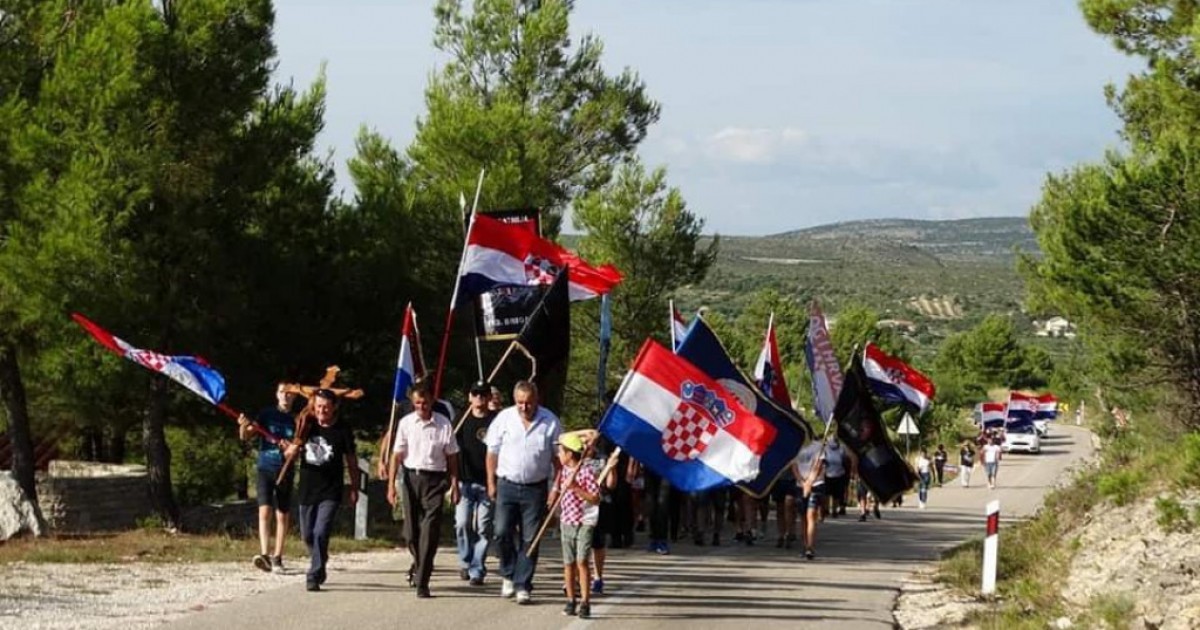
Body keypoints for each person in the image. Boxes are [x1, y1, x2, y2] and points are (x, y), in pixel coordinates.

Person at [486, 380, 562, 605]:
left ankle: (523, 583)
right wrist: (490, 482)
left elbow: (560, 461)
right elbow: (492, 453)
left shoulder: (550, 421)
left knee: (531, 538)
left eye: (528, 403)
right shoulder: (504, 419)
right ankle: (508, 573)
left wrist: (555, 489)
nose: (524, 407)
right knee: (501, 532)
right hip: (507, 484)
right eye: (520, 402)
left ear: (536, 400)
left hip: (535, 488)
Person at [387, 381, 460, 598]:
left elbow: (452, 456)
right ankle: (420, 564)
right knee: (410, 533)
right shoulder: (406, 423)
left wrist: (454, 483)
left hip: (435, 480)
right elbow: (397, 455)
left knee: (429, 531)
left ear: (432, 401)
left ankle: (423, 580)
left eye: (425, 402)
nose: (422, 407)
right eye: (417, 403)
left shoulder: (444, 423)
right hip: (411, 478)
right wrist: (391, 484)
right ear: (413, 403)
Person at [286, 389, 359, 592]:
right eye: (318, 406)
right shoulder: (306, 424)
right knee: (307, 535)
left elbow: (351, 461)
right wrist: (291, 450)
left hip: (331, 490)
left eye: (326, 406)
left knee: (320, 532)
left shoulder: (343, 429)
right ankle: (321, 559)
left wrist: (354, 487)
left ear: (334, 407)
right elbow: (294, 446)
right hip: (307, 489)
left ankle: (314, 574)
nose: (321, 410)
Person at [237, 383, 296, 574]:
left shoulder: (297, 419)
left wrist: (291, 449)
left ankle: (277, 556)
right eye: (282, 392)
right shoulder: (266, 414)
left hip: (285, 470)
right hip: (265, 467)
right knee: (264, 512)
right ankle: (264, 554)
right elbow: (246, 435)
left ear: (294, 397)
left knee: (282, 514)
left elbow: (299, 447)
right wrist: (243, 426)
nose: (285, 396)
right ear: (276, 394)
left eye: (289, 393)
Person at [552, 433, 601, 619]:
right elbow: (558, 490)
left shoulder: (585, 472)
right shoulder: (563, 471)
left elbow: (596, 498)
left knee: (582, 561)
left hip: (584, 522)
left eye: (561, 451)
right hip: (567, 521)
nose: (558, 454)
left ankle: (585, 602)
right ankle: (571, 600)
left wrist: (575, 488)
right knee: (568, 563)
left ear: (570, 453)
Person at [454, 380, 497, 586]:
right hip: (465, 482)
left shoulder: (496, 422)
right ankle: (465, 561)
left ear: (489, 398)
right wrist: (451, 481)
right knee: (462, 523)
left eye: (483, 394)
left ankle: (477, 569)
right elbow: (450, 450)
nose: (479, 397)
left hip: (488, 483)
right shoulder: (460, 421)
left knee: (483, 527)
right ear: (469, 397)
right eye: (475, 393)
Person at [793, 439, 827, 560]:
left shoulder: (818, 446)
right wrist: (802, 483)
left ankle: (810, 547)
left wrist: (809, 482)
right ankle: (804, 544)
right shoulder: (796, 446)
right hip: (800, 485)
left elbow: (818, 466)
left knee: (811, 514)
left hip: (816, 485)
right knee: (802, 517)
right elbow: (794, 466)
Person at [771, 464, 799, 548]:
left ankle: (789, 532)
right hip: (778, 480)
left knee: (789, 505)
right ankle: (781, 535)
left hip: (792, 480)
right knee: (780, 508)